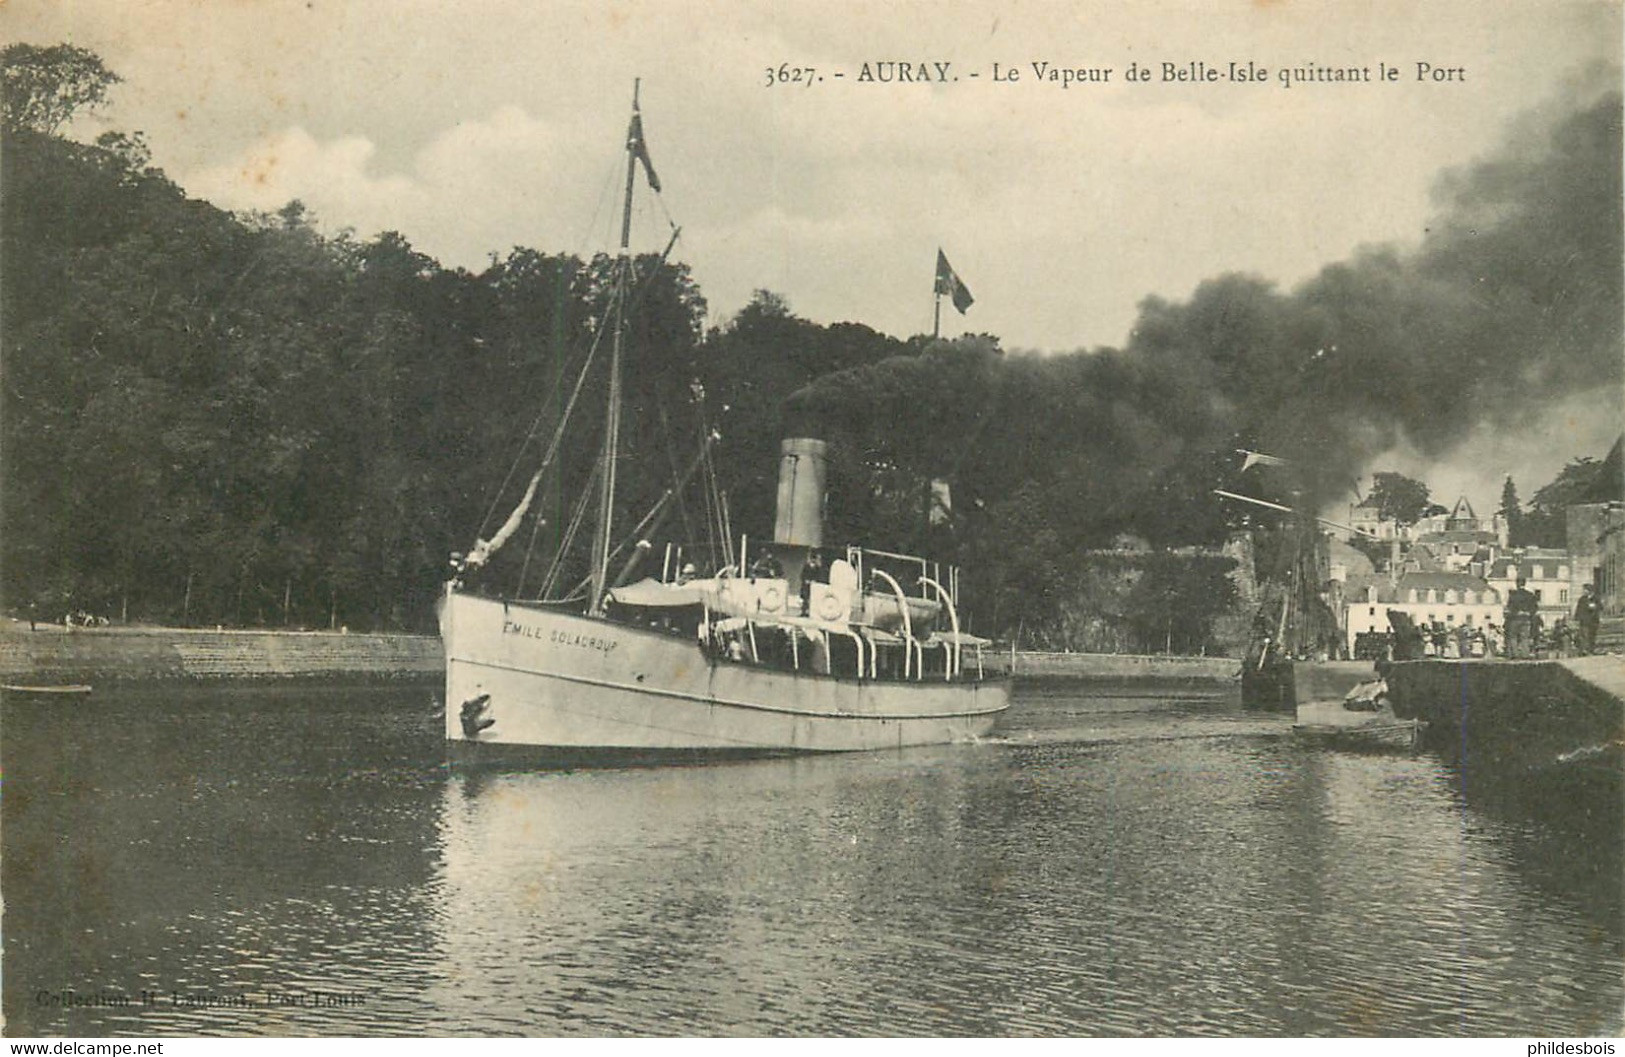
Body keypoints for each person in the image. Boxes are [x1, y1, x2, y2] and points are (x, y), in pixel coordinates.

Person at [1504, 576, 1539, 659]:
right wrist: (1528, 613)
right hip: (1526, 618)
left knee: (1513, 636)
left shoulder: (1513, 595)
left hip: (1515, 618)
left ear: (1517, 584)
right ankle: (1525, 654)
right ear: (1525, 583)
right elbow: (1535, 607)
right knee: (1525, 637)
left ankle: (1515, 654)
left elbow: (1509, 607)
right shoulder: (1530, 595)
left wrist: (1515, 612)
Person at [1574, 582, 1602, 655]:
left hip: (1593, 622)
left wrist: (1594, 607)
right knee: (1584, 635)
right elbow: (1578, 609)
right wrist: (1576, 618)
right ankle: (1585, 650)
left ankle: (1591, 650)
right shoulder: (1582, 599)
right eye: (1583, 590)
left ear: (1589, 591)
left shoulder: (1596, 598)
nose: (1583, 591)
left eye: (1585, 590)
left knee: (1591, 636)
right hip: (1584, 621)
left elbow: (1601, 607)